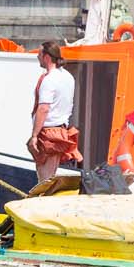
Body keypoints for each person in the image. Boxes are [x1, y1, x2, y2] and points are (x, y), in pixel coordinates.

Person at [29, 40, 80, 183]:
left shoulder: (49, 79)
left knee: (45, 178)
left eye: (39, 54)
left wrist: (34, 135)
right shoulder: (68, 77)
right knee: (48, 174)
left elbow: (44, 108)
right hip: (60, 129)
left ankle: (42, 203)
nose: (37, 57)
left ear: (46, 57)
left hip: (48, 132)